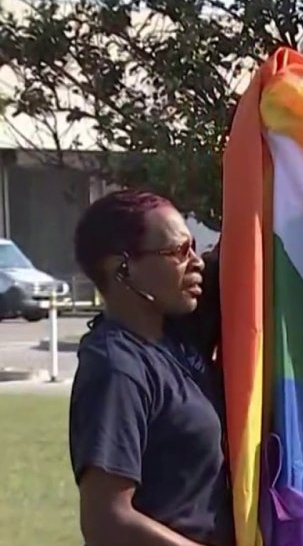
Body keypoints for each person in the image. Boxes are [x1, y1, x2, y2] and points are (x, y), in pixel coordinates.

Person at [68, 189, 231, 546]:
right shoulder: (116, 369)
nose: (197, 261)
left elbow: (241, 246)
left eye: (193, 248)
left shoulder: (177, 333)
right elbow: (106, 520)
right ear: (122, 269)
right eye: (177, 252)